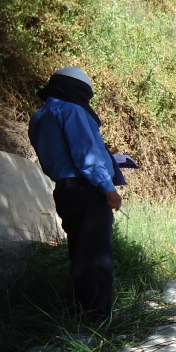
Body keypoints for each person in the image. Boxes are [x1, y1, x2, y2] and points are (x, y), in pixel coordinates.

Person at [28, 66, 122, 322]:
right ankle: (99, 319)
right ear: (77, 90)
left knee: (80, 253)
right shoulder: (72, 110)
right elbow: (86, 156)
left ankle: (83, 311)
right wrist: (108, 188)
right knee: (97, 254)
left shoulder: (39, 116)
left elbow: (57, 156)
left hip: (65, 190)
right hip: (87, 190)